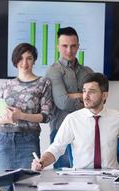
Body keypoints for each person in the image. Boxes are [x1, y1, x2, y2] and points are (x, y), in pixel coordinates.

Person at [32, 73, 119, 170]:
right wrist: (41, 162)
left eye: (91, 92)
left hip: (110, 175)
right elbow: (56, 148)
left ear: (104, 95)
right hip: (81, 177)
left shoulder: (118, 118)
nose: (85, 97)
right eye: (84, 91)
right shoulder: (72, 119)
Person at [0, 43, 53, 172]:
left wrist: (21, 116)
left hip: (28, 141)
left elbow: (46, 116)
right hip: (4, 140)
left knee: (27, 185)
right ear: (15, 60)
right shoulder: (6, 85)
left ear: (34, 60)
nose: (24, 63)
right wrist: (5, 120)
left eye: (29, 58)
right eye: (21, 58)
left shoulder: (43, 83)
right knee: (3, 186)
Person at [45, 26, 93, 168]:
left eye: (73, 46)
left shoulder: (88, 72)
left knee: (86, 178)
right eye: (65, 46)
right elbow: (63, 102)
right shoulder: (53, 71)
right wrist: (84, 97)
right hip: (60, 132)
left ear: (78, 46)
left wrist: (73, 96)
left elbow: (96, 101)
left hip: (86, 132)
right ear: (58, 47)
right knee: (62, 180)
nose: (69, 50)